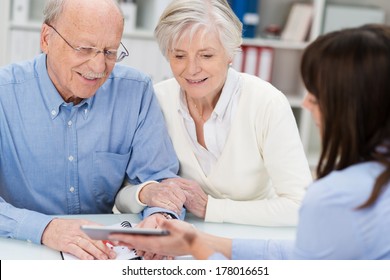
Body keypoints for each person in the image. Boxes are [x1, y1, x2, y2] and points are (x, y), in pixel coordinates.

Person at [111, 24, 390, 259]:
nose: (306, 102)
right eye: (179, 55)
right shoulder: (157, 98)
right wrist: (195, 242)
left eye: (317, 92)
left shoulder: (337, 197)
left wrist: (210, 214)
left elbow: (296, 263)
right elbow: (293, 255)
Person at [0, 0, 186, 260]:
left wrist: (160, 217)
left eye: (110, 52)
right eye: (84, 49)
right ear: (46, 39)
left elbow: (158, 178)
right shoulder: (4, 93)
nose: (99, 68)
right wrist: (46, 228)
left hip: (102, 257)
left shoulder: (135, 91)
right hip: (23, 253)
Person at [116, 0, 312, 227]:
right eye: (179, 56)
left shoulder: (266, 102)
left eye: (206, 55)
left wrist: (210, 207)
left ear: (230, 54)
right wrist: (147, 192)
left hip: (249, 238)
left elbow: (301, 206)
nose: (191, 69)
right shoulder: (156, 100)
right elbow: (122, 197)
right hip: (180, 239)